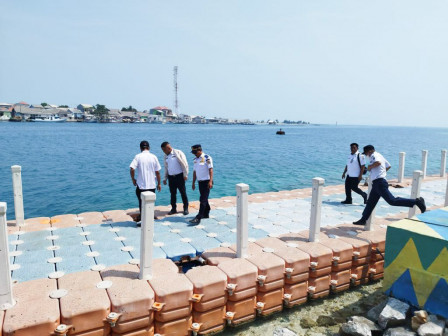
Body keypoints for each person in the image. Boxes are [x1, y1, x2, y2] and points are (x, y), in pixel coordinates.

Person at [353, 145, 426, 225]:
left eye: (366, 153)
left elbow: (378, 163)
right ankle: (363, 219)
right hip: (377, 183)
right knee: (370, 202)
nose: (367, 155)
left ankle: (417, 201)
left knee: (392, 201)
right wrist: (381, 172)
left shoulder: (374, 155)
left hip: (380, 183)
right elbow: (388, 166)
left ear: (369, 151)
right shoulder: (379, 155)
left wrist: (370, 167)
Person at [130, 140, 161, 223]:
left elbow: (132, 169)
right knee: (151, 201)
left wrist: (133, 179)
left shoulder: (138, 156)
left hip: (141, 185)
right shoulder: (154, 157)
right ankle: (150, 217)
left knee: (141, 202)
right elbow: (157, 172)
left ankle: (142, 218)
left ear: (140, 148)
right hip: (152, 185)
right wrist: (159, 183)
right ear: (149, 148)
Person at [161, 141, 189, 215]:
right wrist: (165, 178)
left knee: (183, 193)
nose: (163, 152)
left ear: (168, 148)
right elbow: (166, 167)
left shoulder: (178, 152)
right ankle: (173, 209)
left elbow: (185, 164)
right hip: (171, 178)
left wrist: (185, 175)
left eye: (164, 150)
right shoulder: (165, 156)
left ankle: (185, 208)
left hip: (179, 176)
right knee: (172, 194)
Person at [189, 144, 213, 224]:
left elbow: (211, 170)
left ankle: (198, 217)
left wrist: (210, 181)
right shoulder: (195, 160)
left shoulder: (206, 157)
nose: (194, 154)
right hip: (200, 182)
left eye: (195, 152)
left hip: (206, 182)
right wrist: (193, 182)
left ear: (199, 150)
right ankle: (206, 213)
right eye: (193, 152)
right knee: (203, 198)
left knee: (203, 200)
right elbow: (195, 172)